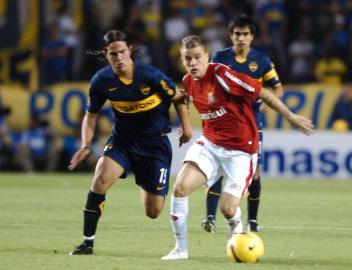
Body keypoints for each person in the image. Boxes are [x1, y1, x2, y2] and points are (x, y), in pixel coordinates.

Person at [161, 35, 314, 260]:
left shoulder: (222, 75)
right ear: (182, 61)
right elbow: (182, 99)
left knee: (227, 209)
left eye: (197, 58)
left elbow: (262, 92)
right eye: (187, 59)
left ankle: (237, 227)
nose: (193, 63)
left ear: (207, 57)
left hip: (242, 150)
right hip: (211, 144)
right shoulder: (188, 80)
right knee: (180, 188)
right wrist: (186, 127)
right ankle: (180, 250)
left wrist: (290, 116)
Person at [68, 30, 192, 255]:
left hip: (155, 146)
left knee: (153, 212)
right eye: (113, 54)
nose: (118, 58)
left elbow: (179, 97)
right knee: (99, 180)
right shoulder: (101, 81)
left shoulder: (151, 76)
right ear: (106, 55)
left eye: (122, 52)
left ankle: (144, 179)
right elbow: (91, 114)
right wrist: (85, 145)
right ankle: (87, 242)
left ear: (130, 51)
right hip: (123, 142)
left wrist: (187, 127)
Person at [201, 15, 284, 233]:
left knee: (255, 172)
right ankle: (210, 217)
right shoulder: (220, 57)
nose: (241, 38)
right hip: (224, 121)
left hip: (252, 123)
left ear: (252, 37)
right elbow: (207, 83)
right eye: (237, 34)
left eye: (245, 34)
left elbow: (277, 88)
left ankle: (253, 220)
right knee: (218, 169)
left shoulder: (262, 61)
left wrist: (269, 103)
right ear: (231, 36)